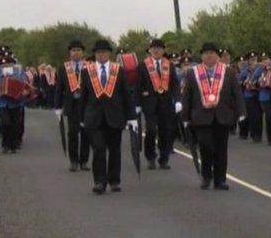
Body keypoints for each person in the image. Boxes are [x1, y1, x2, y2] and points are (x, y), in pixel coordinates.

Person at [181, 42, 245, 190]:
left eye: (212, 53)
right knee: (205, 145)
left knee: (221, 149)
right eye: (206, 53)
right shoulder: (193, 73)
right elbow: (187, 96)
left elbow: (237, 93)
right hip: (201, 117)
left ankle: (219, 179)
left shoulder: (228, 72)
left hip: (222, 116)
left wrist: (241, 112)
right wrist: (185, 117)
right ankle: (206, 176)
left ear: (217, 56)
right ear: (202, 56)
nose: (209, 56)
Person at [79, 40, 136, 194]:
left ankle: (114, 180)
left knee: (114, 150)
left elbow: (126, 95)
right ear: (95, 54)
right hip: (93, 117)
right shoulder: (86, 71)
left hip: (115, 116)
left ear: (109, 54)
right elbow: (83, 96)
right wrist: (81, 118)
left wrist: (132, 117)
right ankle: (99, 181)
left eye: (104, 52)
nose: (101, 55)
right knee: (98, 149)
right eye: (98, 52)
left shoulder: (119, 70)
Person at [135, 39, 181, 170]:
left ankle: (164, 159)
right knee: (151, 130)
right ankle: (150, 157)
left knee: (165, 132)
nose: (156, 50)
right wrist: (137, 104)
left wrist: (177, 100)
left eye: (159, 48)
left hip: (166, 104)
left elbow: (175, 85)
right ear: (150, 50)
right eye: (154, 48)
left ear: (163, 50)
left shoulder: (169, 65)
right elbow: (138, 86)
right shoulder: (143, 65)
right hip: (149, 104)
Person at [54, 40, 91, 172]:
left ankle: (84, 161)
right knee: (72, 133)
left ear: (83, 52)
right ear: (69, 53)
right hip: (71, 105)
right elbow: (59, 88)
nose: (76, 52)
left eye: (79, 50)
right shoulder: (64, 68)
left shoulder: (89, 66)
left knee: (86, 133)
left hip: (86, 105)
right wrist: (57, 106)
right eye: (74, 50)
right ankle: (74, 161)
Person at [0, 54, 27, 153]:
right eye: (4, 63)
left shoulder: (18, 71)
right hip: (2, 102)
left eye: (9, 63)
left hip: (16, 102)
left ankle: (13, 145)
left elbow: (24, 82)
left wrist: (24, 90)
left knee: (15, 124)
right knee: (5, 123)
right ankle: (5, 144)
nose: (6, 65)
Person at [238, 51, 261, 141]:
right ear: (248, 61)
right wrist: (244, 82)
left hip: (258, 94)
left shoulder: (260, 69)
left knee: (258, 116)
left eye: (254, 59)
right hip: (248, 95)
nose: (253, 61)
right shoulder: (245, 71)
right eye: (251, 60)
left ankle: (258, 134)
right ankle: (252, 133)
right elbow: (239, 82)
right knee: (251, 115)